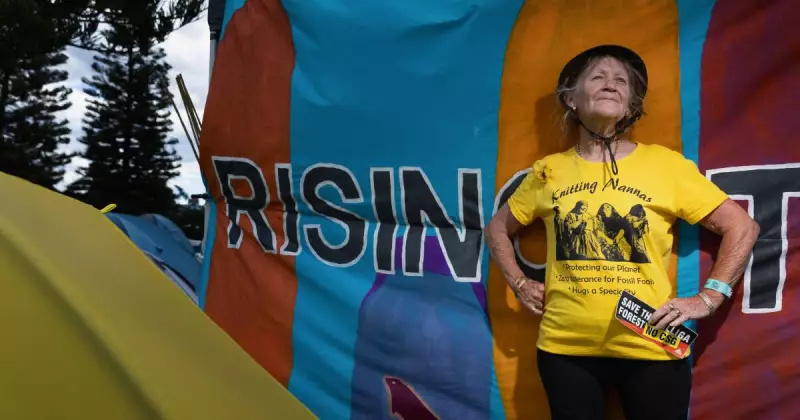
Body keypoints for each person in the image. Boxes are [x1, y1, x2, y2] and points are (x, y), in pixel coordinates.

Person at [485, 45, 759, 420]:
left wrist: (709, 298)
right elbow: (497, 229)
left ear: (632, 106)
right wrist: (518, 283)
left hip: (651, 346)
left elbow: (742, 226)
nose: (610, 85)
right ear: (570, 100)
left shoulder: (665, 166)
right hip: (565, 350)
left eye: (621, 81)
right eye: (597, 77)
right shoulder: (548, 171)